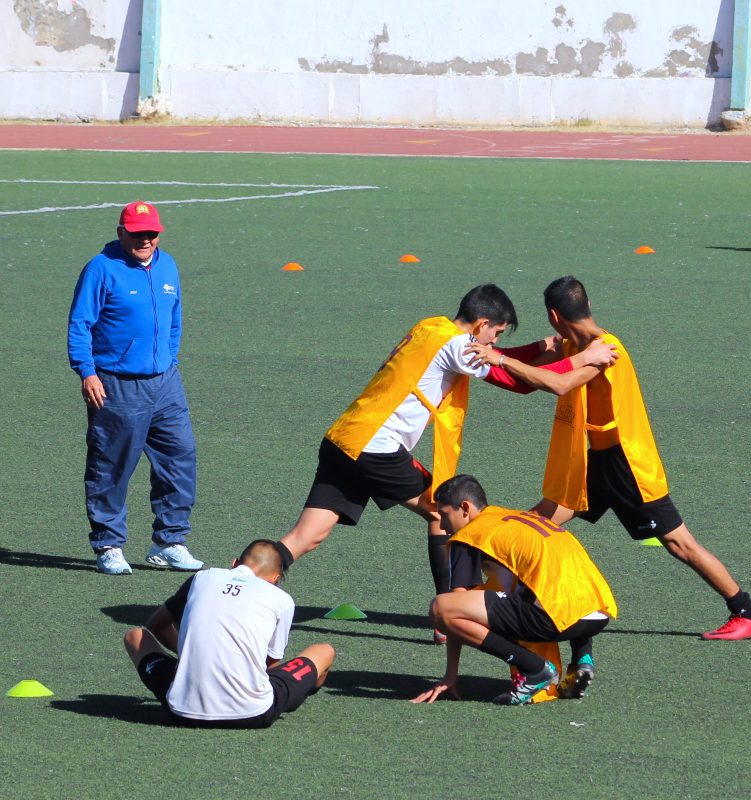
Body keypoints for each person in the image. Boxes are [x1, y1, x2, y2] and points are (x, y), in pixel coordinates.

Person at [277, 284, 616, 611]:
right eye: (496, 333)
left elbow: (497, 358)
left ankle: (246, 574)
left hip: (343, 439)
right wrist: (586, 357)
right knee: (444, 511)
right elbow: (516, 381)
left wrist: (537, 348)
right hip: (373, 448)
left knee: (307, 535)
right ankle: (451, 610)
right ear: (482, 325)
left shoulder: (432, 326)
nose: (494, 341)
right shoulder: (457, 346)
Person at [467, 276, 751, 640]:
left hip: (628, 467)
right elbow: (524, 378)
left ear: (553, 315)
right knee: (537, 522)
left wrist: (496, 355)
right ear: (587, 305)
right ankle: (505, 602)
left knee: (680, 544)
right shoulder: (572, 344)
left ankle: (746, 612)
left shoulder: (606, 349)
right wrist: (472, 358)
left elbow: (558, 383)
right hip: (597, 463)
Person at [67, 201, 203, 575]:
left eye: (152, 233)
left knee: (179, 459)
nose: (146, 240)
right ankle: (108, 545)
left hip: (165, 384)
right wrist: (87, 372)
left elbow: (174, 319)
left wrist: (168, 359)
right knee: (111, 466)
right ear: (120, 232)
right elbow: (80, 324)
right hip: (116, 385)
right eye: (137, 233)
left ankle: (170, 541)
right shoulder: (100, 269)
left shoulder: (168, 264)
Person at [411, 474, 617, 705]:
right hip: (597, 612)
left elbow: (451, 607)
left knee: (441, 608)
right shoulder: (511, 518)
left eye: (445, 515)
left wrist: (450, 675)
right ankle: (581, 658)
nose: (442, 525)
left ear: (465, 508)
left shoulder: (469, 535)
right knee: (547, 585)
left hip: (557, 616)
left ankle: (535, 668)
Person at [124, 540, 335, 727]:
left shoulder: (202, 578)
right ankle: (305, 691)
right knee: (324, 651)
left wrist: (190, 657)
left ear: (234, 564)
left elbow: (157, 625)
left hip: (181, 711)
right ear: (275, 579)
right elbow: (270, 664)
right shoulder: (281, 599)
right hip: (253, 713)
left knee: (134, 636)